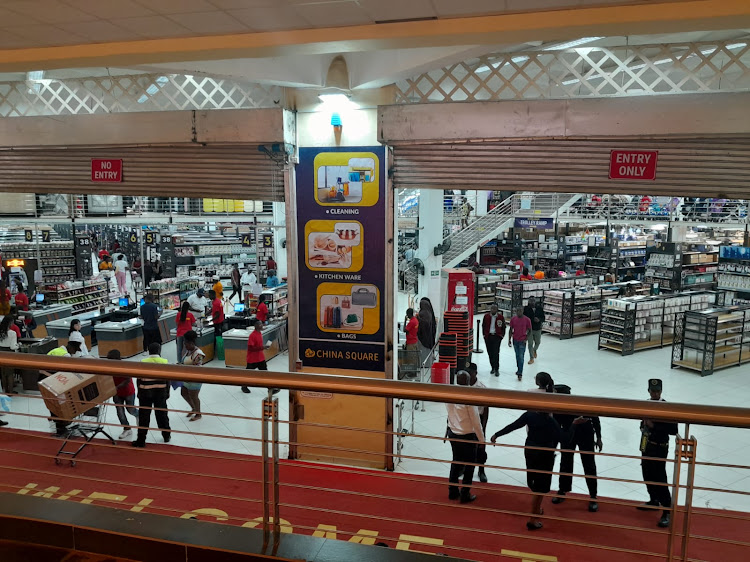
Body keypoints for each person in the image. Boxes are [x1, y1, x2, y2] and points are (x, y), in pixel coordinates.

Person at [491, 374, 572, 531]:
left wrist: (497, 434)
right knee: (541, 489)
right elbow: (564, 438)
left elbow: (513, 425)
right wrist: (574, 425)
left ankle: (536, 511)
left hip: (530, 451)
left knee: (534, 483)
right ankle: (533, 517)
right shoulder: (550, 421)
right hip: (545, 454)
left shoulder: (530, 415)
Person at [547, 375, 602, 512]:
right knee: (565, 462)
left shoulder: (583, 404)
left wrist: (599, 438)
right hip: (568, 435)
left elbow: (595, 419)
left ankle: (593, 496)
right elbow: (556, 426)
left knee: (589, 464)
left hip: (586, 435)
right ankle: (562, 490)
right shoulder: (558, 408)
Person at [637, 378, 678, 528]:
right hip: (647, 445)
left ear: (661, 391)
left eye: (657, 391)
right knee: (647, 474)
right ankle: (653, 499)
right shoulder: (646, 404)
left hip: (660, 447)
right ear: (648, 391)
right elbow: (642, 424)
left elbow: (674, 430)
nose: (655, 393)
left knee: (660, 477)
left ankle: (667, 510)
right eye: (652, 391)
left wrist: (653, 426)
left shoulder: (667, 407)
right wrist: (644, 426)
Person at [446, 371, 484, 503]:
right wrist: (482, 439)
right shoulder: (469, 397)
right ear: (468, 382)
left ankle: (453, 491)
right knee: (469, 465)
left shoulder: (450, 393)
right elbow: (476, 421)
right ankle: (465, 493)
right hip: (467, 435)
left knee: (456, 462)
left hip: (453, 432)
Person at [133, 342, 171, 448]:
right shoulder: (164, 362)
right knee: (162, 415)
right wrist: (167, 392)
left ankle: (141, 440)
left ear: (148, 351)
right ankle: (166, 435)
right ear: (159, 351)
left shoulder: (143, 362)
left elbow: (138, 379)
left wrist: (139, 392)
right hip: (160, 392)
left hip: (145, 393)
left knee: (144, 416)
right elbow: (168, 380)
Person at [107, 349, 138, 441]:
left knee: (130, 409)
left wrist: (116, 387)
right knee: (120, 411)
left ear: (117, 358)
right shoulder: (108, 367)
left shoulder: (125, 366)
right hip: (116, 393)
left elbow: (127, 380)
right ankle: (127, 428)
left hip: (128, 391)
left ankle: (138, 414)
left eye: (110, 359)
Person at [467, 363, 490, 483]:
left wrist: (484, 427)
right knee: (466, 446)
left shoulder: (481, 388)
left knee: (481, 446)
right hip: (466, 420)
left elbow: (486, 409)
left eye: (470, 373)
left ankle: (481, 470)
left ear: (475, 373)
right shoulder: (462, 386)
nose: (468, 375)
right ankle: (464, 467)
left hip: (479, 420)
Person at [180, 330, 205, 421]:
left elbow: (197, 368)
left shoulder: (198, 354)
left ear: (191, 343)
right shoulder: (188, 351)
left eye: (186, 344)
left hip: (195, 378)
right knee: (184, 392)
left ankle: (198, 414)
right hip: (187, 377)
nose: (184, 346)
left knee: (194, 396)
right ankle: (193, 408)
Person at [244, 319, 271, 394]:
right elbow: (250, 348)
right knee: (248, 374)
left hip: (260, 358)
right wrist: (263, 347)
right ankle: (244, 386)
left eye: (261, 324)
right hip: (252, 359)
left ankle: (270, 387)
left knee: (265, 373)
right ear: (255, 326)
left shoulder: (260, 334)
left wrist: (264, 347)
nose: (261, 325)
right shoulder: (252, 335)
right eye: (260, 324)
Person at [508, 306, 532, 380]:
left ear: (523, 311)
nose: (519, 312)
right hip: (515, 340)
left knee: (521, 357)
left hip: (522, 340)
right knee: (517, 356)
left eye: (520, 311)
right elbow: (510, 329)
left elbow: (530, 330)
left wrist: (526, 339)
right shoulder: (513, 319)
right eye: (517, 311)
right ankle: (519, 369)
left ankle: (520, 373)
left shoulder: (527, 320)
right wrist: (509, 339)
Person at [482, 304, 506, 376]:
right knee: (490, 353)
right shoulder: (486, 316)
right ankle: (492, 367)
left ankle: (497, 369)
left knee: (496, 353)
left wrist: (501, 336)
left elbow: (503, 327)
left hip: (497, 336)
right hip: (488, 336)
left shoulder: (500, 317)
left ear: (497, 310)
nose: (493, 310)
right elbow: (483, 325)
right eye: (492, 308)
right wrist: (484, 335)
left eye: (494, 309)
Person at [0, 315, 19, 394]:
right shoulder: (12, 333)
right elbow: (12, 346)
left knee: (3, 373)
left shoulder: (0, 332)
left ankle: (4, 391)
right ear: (10, 323)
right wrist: (18, 345)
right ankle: (10, 392)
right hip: (9, 353)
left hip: (1, 352)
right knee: (10, 373)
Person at [524, 297, 545, 364]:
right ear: (528, 301)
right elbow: (524, 318)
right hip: (529, 329)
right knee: (530, 343)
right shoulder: (526, 309)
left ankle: (534, 350)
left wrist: (539, 320)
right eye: (531, 301)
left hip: (538, 328)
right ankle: (531, 358)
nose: (532, 302)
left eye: (533, 301)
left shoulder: (540, 308)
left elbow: (543, 318)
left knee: (538, 342)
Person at [416, 298, 436, 368]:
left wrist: (418, 318)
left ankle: (424, 364)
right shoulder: (429, 312)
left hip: (423, 337)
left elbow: (424, 324)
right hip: (429, 336)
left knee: (423, 352)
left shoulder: (423, 313)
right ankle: (427, 364)